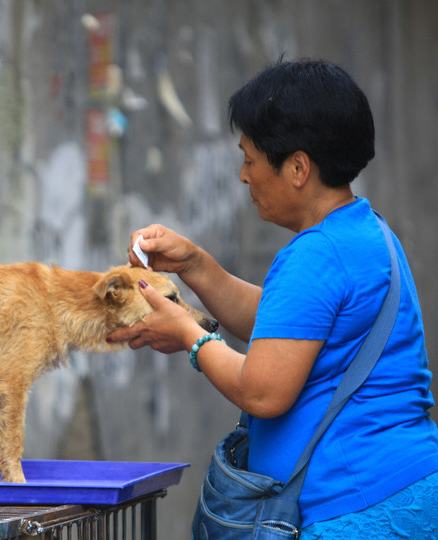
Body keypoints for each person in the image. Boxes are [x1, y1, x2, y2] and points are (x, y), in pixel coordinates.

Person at [107, 59, 438, 538]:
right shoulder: (367, 234)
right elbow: (287, 328)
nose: (244, 177)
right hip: (402, 491)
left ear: (298, 168)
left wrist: (188, 335)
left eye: (249, 159)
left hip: (358, 507)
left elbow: (263, 389)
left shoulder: (316, 254)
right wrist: (195, 265)